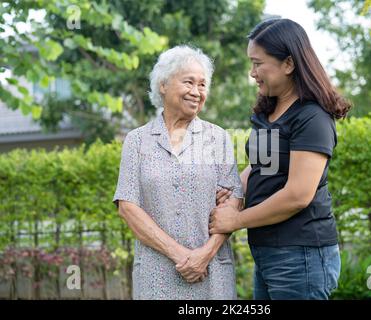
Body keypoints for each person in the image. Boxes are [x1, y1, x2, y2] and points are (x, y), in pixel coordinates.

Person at [209, 19, 352, 300]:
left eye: (258, 63)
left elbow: (298, 195)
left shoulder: (312, 117)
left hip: (301, 256)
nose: (252, 73)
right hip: (268, 252)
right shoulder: (269, 111)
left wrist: (235, 220)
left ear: (288, 64)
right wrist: (232, 191)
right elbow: (258, 166)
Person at [113, 45, 243, 300]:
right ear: (163, 85)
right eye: (189, 82)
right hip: (156, 273)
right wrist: (181, 256)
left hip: (211, 272)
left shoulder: (218, 138)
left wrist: (204, 255)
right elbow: (128, 207)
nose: (197, 92)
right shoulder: (137, 140)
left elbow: (233, 204)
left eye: (203, 85)